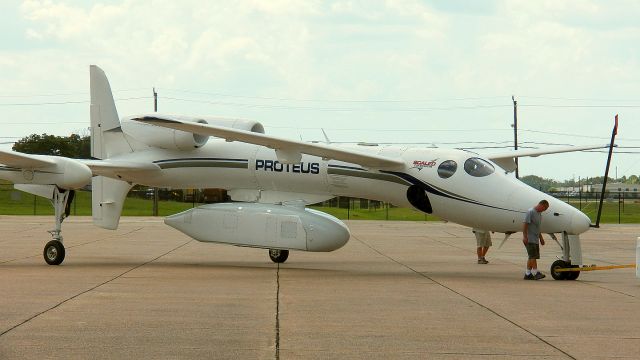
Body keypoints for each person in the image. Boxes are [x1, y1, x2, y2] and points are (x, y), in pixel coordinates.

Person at [523, 200, 549, 280]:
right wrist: (525, 236)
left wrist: (541, 238)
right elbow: (525, 224)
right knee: (532, 256)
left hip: (535, 239)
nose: (544, 210)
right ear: (541, 205)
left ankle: (527, 274)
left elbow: (537, 227)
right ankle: (535, 273)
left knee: (531, 256)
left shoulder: (539, 215)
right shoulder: (530, 212)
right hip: (529, 238)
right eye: (544, 208)